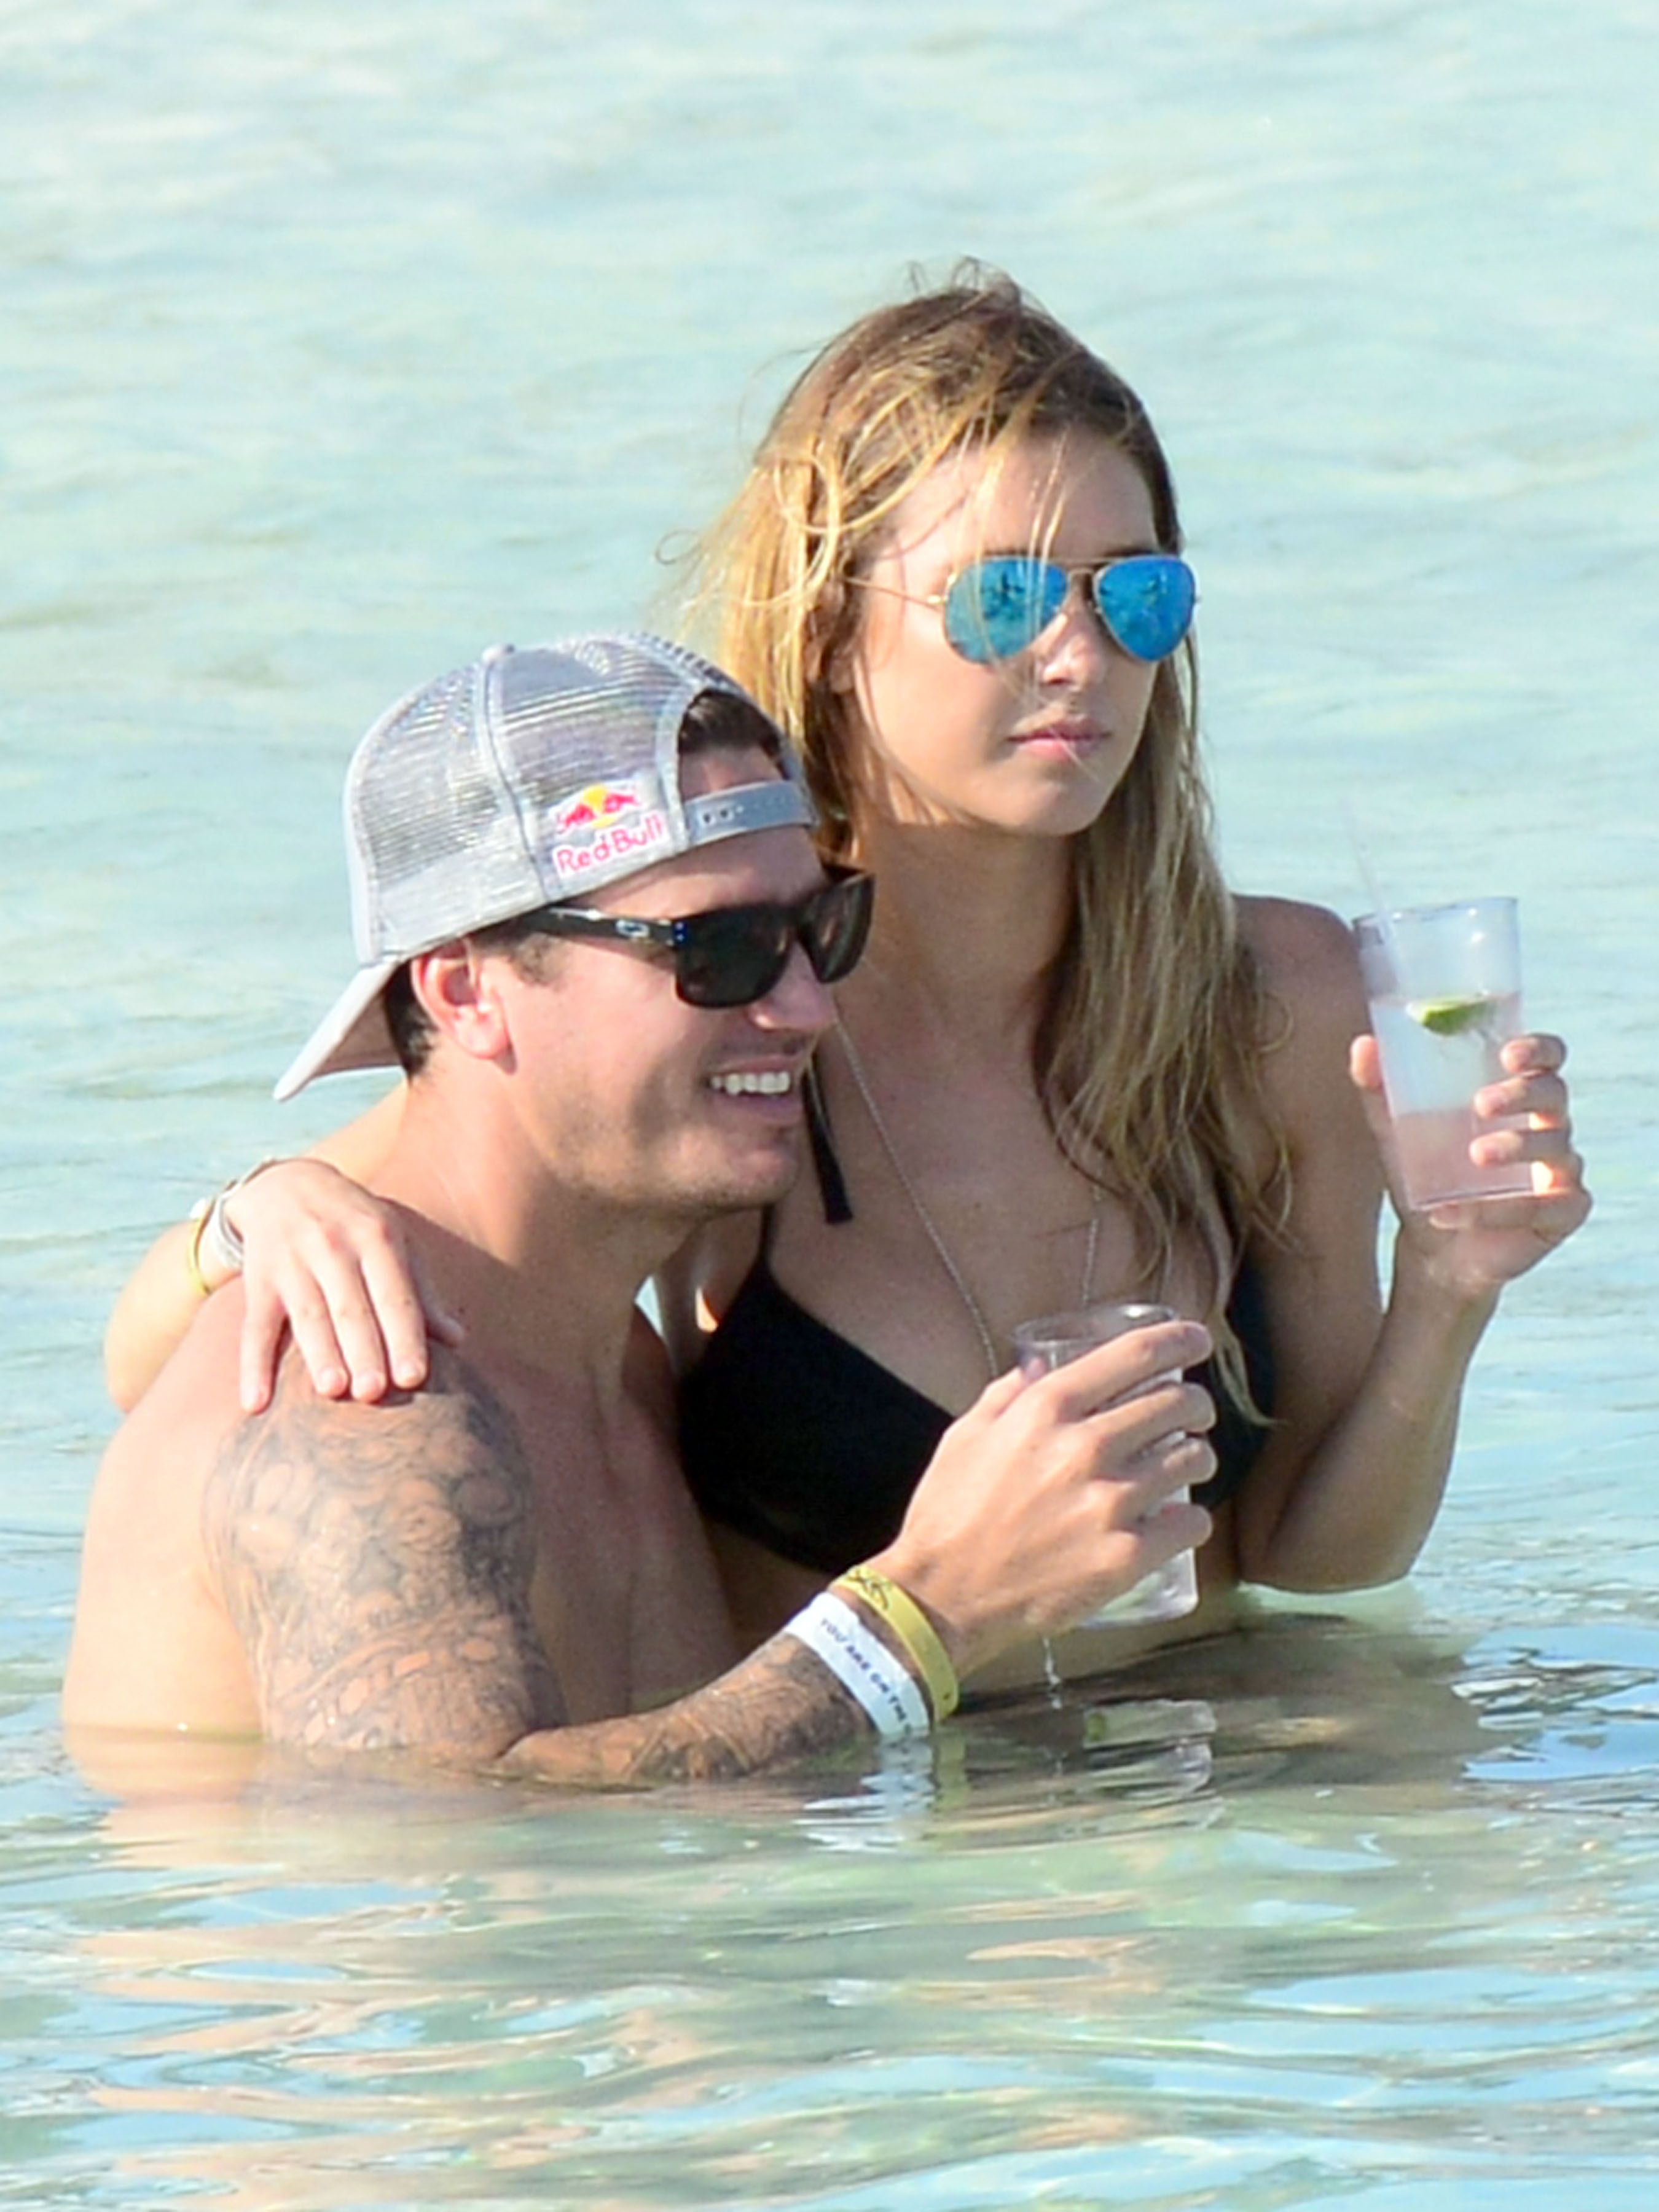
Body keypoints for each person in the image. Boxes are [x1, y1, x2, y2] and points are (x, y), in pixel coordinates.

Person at [102, 270, 1590, 1693]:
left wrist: (1449, 1292)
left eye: (1134, 598)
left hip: (1215, 1786)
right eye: (1004, 602)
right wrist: (263, 1211)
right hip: (872, 1819)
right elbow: (158, 1361)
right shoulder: (728, 1019)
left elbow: (1320, 1561)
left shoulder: (1265, 1000)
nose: (1081, 656)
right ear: (830, 626)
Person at [65, 635, 1216, 1778]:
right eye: (721, 950)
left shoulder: (612, 1358)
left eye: (820, 929)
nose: (807, 1007)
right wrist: (931, 1612)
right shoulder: (369, 1409)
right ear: (467, 993)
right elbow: (462, 1844)